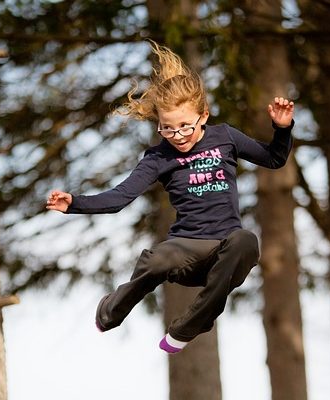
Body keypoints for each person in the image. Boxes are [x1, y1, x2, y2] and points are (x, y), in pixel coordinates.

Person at [45, 40, 295, 354]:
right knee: (156, 258)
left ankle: (187, 328)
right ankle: (111, 310)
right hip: (186, 250)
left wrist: (281, 129)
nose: (177, 136)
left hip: (225, 250)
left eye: (185, 127)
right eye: (167, 129)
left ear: (203, 116)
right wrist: (75, 204)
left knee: (246, 241)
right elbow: (120, 197)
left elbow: (274, 159)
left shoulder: (226, 137)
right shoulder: (159, 157)